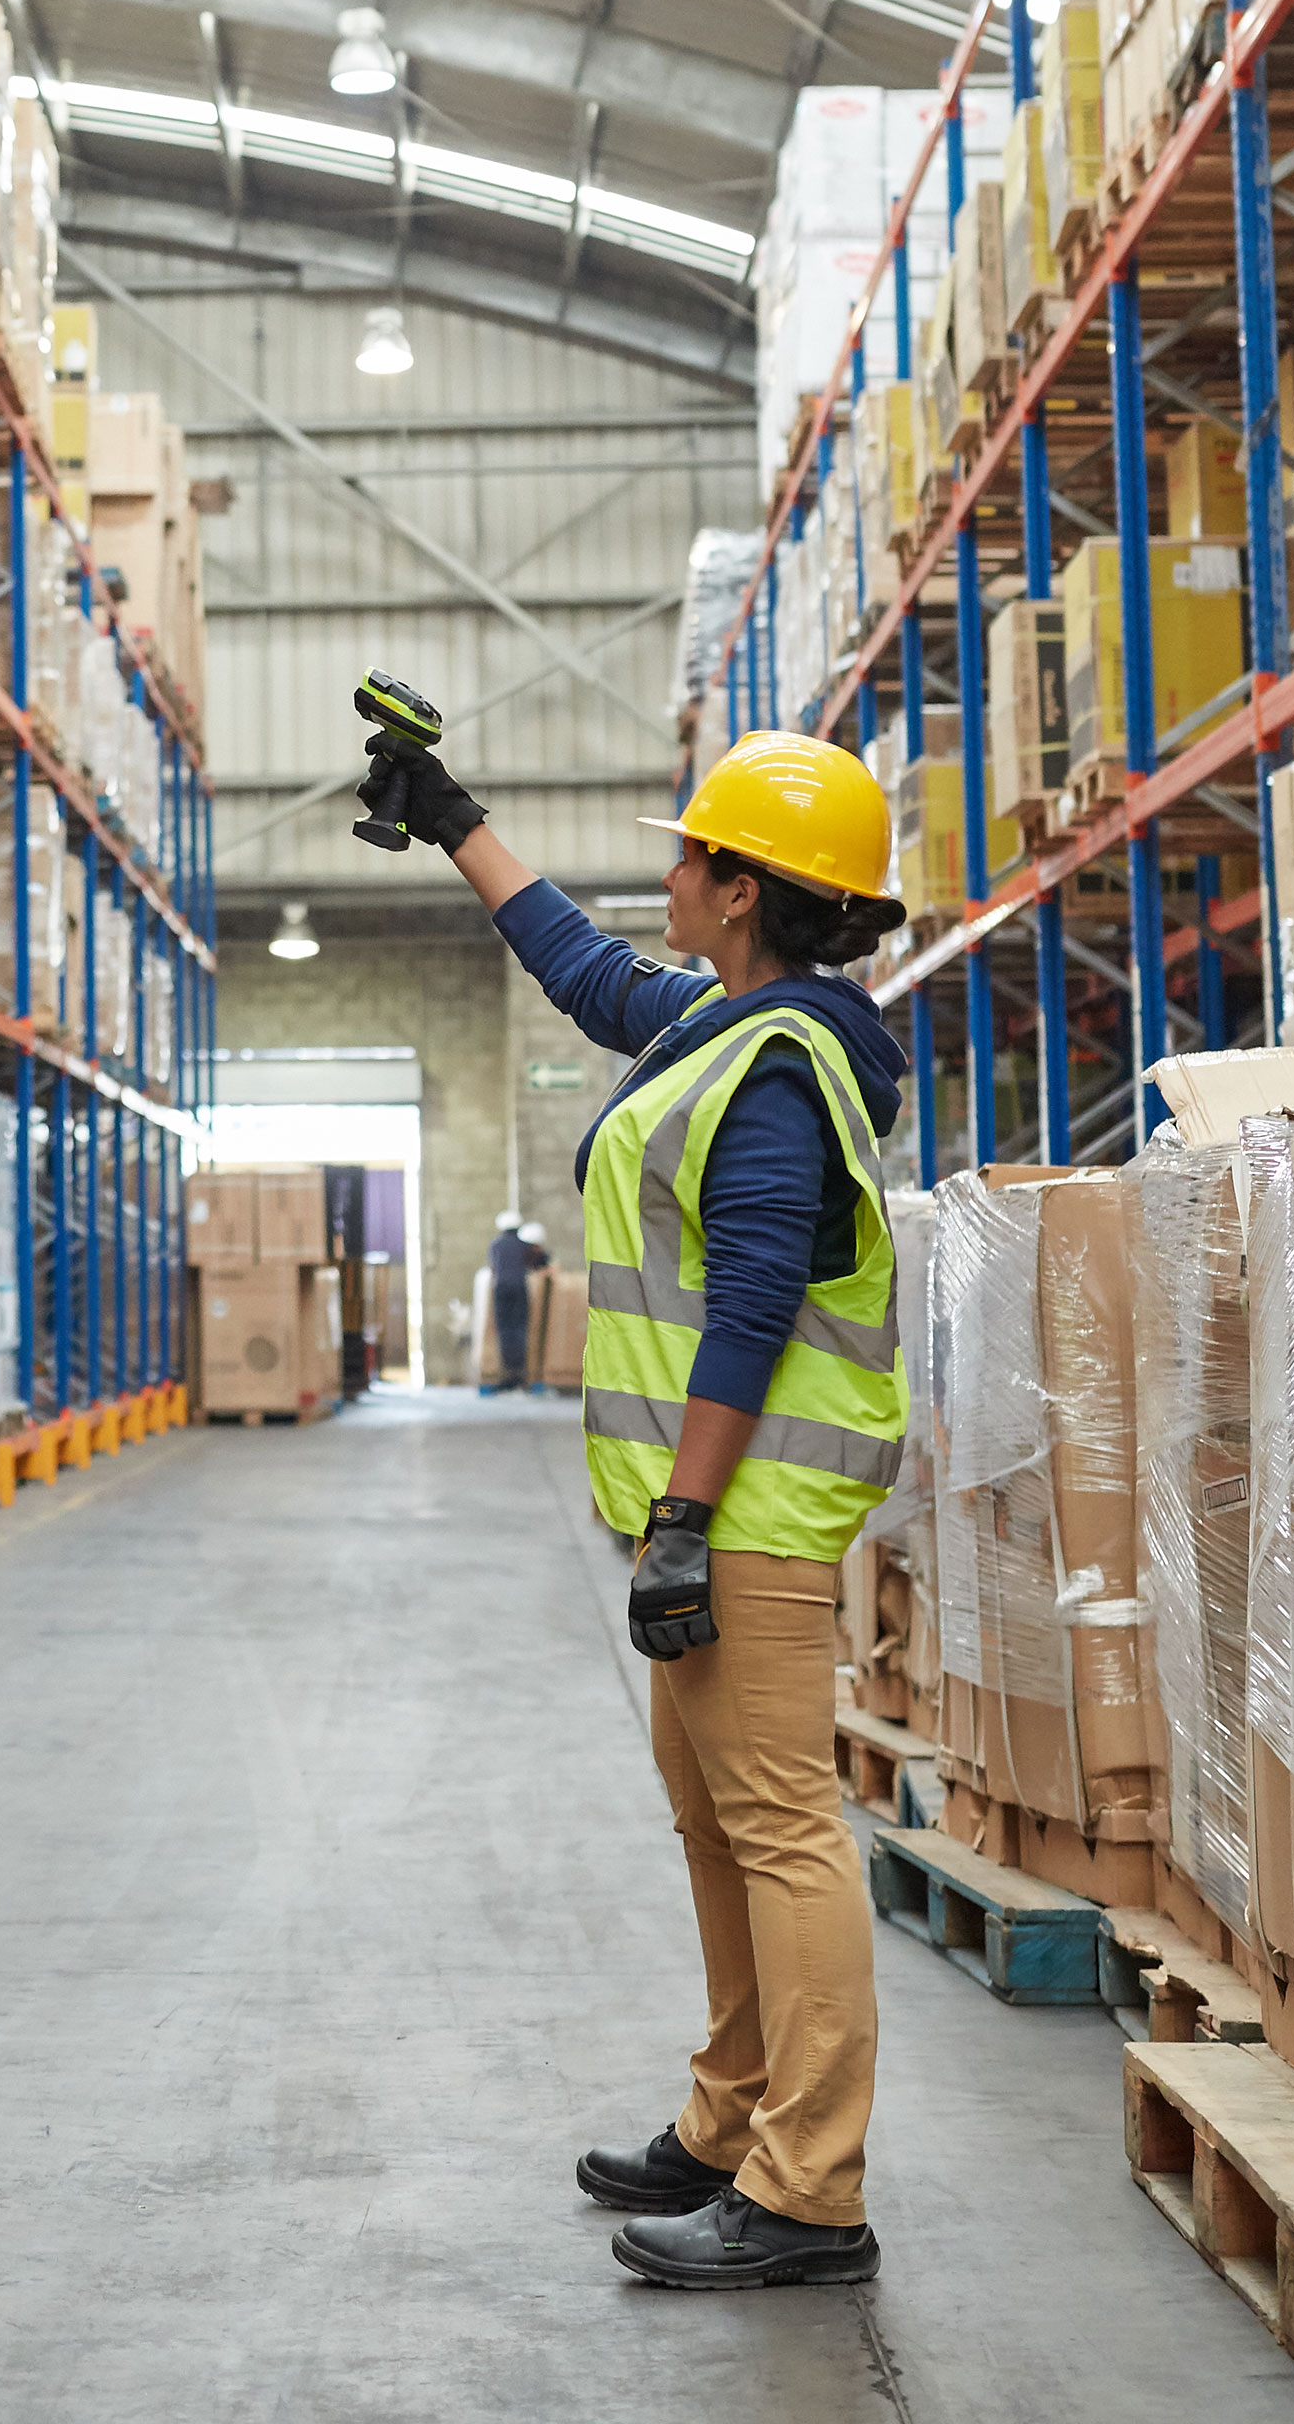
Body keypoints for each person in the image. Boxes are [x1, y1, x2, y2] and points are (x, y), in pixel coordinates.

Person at [361, 722, 911, 2290]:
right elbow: (587, 972)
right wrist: (456, 820)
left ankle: (811, 2191)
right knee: (718, 1822)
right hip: (709, 1512)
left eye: (689, 854)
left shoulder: (782, 1072)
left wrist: (683, 1519)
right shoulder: (728, 1022)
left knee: (785, 1834)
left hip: (747, 1517)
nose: (666, 874)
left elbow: (748, 1304)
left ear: (742, 895)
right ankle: (735, 2117)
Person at [483, 1209, 543, 1393]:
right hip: (519, 1290)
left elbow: (493, 1268)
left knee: (505, 1332)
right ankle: (520, 1376)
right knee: (519, 1330)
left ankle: (508, 1375)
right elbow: (540, 1262)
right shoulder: (525, 1246)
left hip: (501, 1291)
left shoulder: (495, 1245)